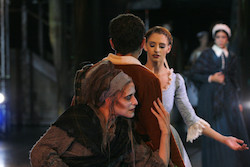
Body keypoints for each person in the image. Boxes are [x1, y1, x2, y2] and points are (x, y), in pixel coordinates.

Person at [30, 60, 171, 167]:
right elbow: (39, 152)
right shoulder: (79, 119)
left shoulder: (121, 132)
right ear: (110, 99)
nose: (135, 102)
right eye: (128, 97)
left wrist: (165, 133)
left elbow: (153, 165)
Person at [143, 26, 249, 166]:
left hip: (166, 142)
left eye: (161, 46)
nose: (156, 50)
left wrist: (224, 139)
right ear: (144, 46)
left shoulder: (175, 80)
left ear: (169, 48)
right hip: (140, 143)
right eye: (152, 45)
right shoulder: (136, 75)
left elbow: (192, 119)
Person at [103, 13, 185, 166]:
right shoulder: (146, 79)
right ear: (143, 44)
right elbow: (156, 130)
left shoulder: (91, 73)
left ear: (112, 43)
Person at [190, 23, 250, 167]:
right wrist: (211, 78)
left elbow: (236, 80)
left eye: (223, 37)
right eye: (218, 37)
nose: (220, 39)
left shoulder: (232, 56)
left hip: (229, 97)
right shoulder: (207, 54)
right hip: (210, 98)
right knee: (215, 129)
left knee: (232, 127)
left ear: (227, 39)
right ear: (214, 38)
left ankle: (232, 162)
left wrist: (239, 100)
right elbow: (194, 74)